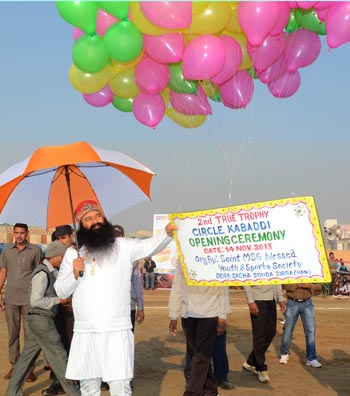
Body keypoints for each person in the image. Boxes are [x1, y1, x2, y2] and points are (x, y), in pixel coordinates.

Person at [54, 200, 176, 396]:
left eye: (98, 216)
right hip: (87, 331)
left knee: (120, 387)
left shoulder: (123, 246)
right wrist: (74, 273)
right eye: (88, 218)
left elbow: (149, 246)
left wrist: (167, 233)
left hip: (117, 329)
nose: (95, 221)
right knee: (88, 388)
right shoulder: (72, 254)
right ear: (81, 224)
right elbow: (61, 291)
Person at [6, 241, 80, 396]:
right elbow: (35, 300)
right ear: (54, 256)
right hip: (42, 320)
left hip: (37, 321)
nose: (63, 260)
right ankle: (75, 392)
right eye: (62, 256)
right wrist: (58, 301)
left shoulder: (49, 271)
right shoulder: (42, 273)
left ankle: (12, 392)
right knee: (59, 357)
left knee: (26, 359)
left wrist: (61, 300)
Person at [169, 260, 230, 396]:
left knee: (201, 356)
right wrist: (173, 314)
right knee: (197, 353)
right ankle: (210, 390)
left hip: (210, 313)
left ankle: (192, 392)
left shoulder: (214, 255)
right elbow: (177, 284)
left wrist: (222, 315)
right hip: (188, 313)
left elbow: (223, 286)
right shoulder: (183, 255)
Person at [0, 223, 42, 382]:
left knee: (30, 335)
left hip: (29, 299)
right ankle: (15, 366)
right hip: (10, 299)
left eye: (22, 233)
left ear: (27, 234)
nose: (19, 236)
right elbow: (3, 271)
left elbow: (40, 273)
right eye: (16, 233)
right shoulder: (6, 251)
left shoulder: (35, 250)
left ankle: (28, 368)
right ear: (13, 233)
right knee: (13, 334)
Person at [42, 225, 76, 396]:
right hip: (56, 307)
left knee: (73, 344)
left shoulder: (80, 254)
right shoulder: (54, 257)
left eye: (64, 238)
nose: (61, 242)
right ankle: (58, 380)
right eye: (58, 239)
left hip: (74, 308)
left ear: (71, 236)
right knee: (58, 343)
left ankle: (73, 381)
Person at [242, 285, 286, 384]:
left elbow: (276, 279)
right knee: (259, 334)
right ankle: (260, 368)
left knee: (271, 332)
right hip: (257, 299)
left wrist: (280, 298)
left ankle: (250, 362)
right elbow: (246, 282)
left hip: (271, 300)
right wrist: (250, 301)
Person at [279, 283, 322, 368]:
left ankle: (311, 358)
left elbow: (319, 286)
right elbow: (283, 285)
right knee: (288, 329)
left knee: (310, 330)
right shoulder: (289, 270)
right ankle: (284, 353)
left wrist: (309, 286)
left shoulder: (311, 270)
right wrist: (297, 285)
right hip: (292, 302)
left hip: (308, 303)